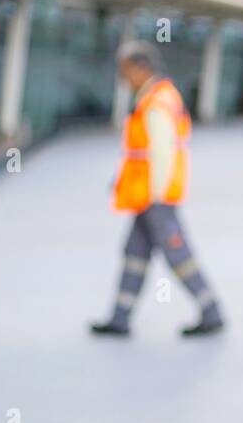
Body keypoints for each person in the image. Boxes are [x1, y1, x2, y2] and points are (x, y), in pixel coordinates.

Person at [91, 40, 224, 338]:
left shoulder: (157, 101)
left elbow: (161, 152)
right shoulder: (156, 97)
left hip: (155, 198)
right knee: (135, 254)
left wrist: (157, 195)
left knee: (177, 253)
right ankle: (120, 318)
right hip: (147, 196)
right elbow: (140, 153)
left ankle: (211, 311)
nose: (123, 78)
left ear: (140, 68)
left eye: (125, 71)